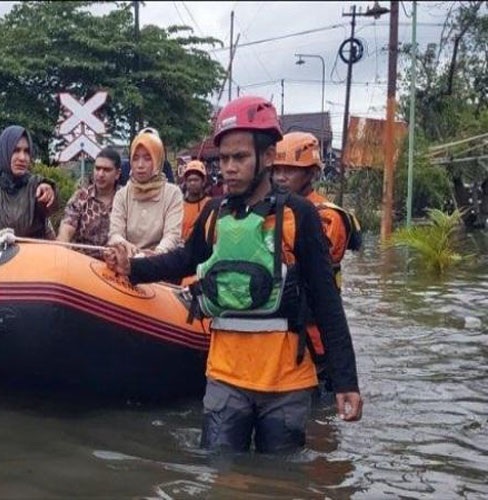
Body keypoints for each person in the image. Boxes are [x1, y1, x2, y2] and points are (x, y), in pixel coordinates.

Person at [104, 96, 362, 453]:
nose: (228, 168)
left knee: (279, 481)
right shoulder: (214, 213)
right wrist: (132, 268)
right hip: (226, 377)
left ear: (268, 156)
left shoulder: (299, 216)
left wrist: (346, 380)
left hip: (285, 383)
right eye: (223, 159)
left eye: (239, 157)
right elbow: (184, 260)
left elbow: (326, 299)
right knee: (222, 474)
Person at [271, 132, 362, 398]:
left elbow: (311, 266)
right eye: (277, 170)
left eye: (290, 170)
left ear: (310, 173)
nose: (281, 177)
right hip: (282, 331)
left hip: (314, 336)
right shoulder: (274, 210)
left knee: (317, 421)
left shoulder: (328, 217)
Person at [107, 130, 183, 257]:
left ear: (158, 161)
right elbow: (115, 233)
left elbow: (172, 235)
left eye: (148, 158)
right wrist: (122, 244)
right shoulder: (122, 195)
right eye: (135, 158)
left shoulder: (173, 194)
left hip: (161, 263)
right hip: (128, 262)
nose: (140, 165)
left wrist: (157, 253)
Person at [57, 147, 121, 257]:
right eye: (97, 168)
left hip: (116, 266)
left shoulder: (125, 199)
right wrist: (63, 242)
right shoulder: (81, 196)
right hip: (82, 263)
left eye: (106, 170)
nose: (100, 174)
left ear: (117, 174)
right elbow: (66, 228)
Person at [181, 160, 210, 241]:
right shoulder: (178, 207)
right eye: (189, 180)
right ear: (185, 183)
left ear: (203, 182)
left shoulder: (211, 205)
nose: (192, 183)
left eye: (196, 180)